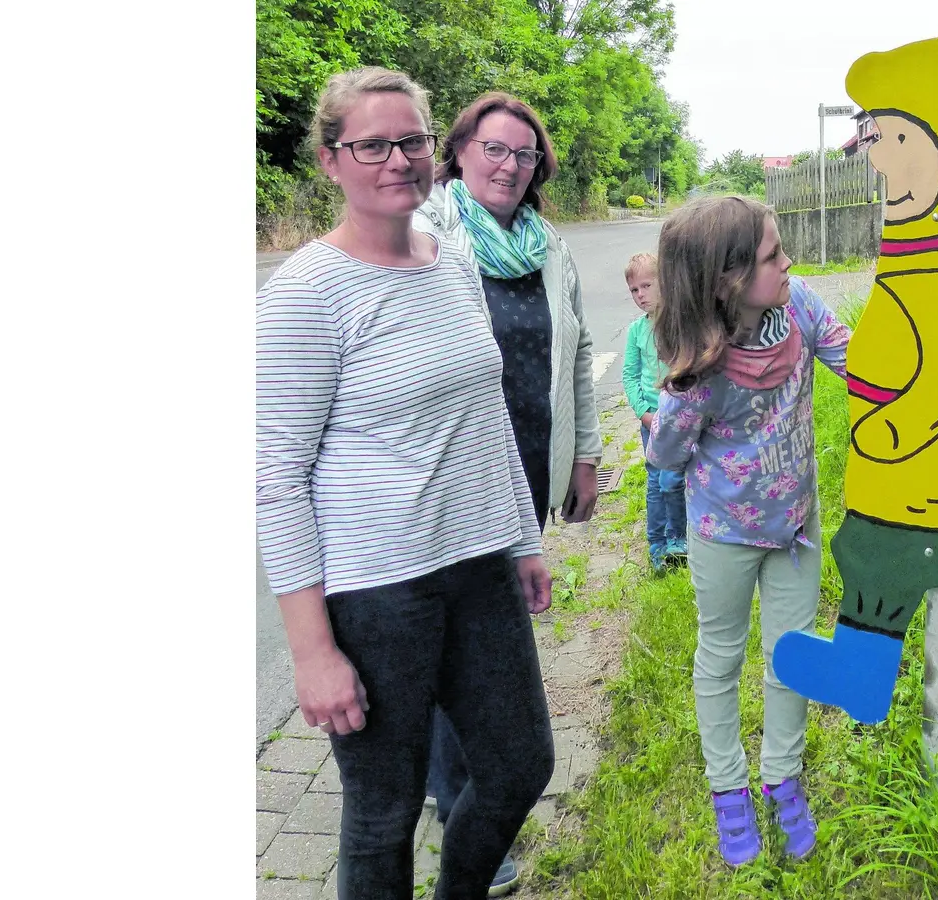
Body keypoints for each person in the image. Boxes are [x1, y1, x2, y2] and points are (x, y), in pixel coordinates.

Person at [256, 67, 555, 900]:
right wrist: (313, 652)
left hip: (480, 567)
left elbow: (485, 413)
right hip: (377, 593)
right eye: (372, 144)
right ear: (330, 160)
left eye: (411, 140)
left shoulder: (451, 261)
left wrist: (522, 541)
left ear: (435, 148)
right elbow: (275, 481)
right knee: (383, 811)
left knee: (520, 765)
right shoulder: (306, 295)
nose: (398, 159)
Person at [411, 91, 605, 894]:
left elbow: (581, 345)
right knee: (467, 641)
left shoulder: (547, 245)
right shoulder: (425, 233)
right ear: (459, 151)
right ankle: (465, 807)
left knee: (471, 632)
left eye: (524, 156)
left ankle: (445, 780)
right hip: (448, 477)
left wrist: (586, 455)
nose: (510, 166)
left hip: (527, 463)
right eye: (494, 149)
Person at [644, 196, 851, 866]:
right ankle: (728, 788)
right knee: (723, 657)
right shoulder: (699, 373)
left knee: (791, 654)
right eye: (771, 255)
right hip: (723, 536)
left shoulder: (801, 309)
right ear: (727, 279)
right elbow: (666, 459)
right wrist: (679, 395)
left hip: (795, 526)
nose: (788, 261)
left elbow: (857, 361)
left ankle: (782, 776)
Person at [621, 252, 688, 572]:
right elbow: (630, 376)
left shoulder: (681, 323)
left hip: (680, 419)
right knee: (656, 482)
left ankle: (679, 538)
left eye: (647, 286)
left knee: (674, 480)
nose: (641, 295)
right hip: (652, 421)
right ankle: (657, 543)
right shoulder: (636, 331)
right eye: (634, 290)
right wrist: (643, 412)